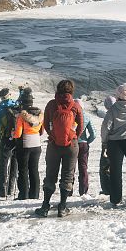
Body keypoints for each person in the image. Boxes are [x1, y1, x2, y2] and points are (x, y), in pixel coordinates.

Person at [35, 79, 83, 218]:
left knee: (50, 175)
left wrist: (53, 137)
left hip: (54, 145)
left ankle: (45, 206)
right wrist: (73, 137)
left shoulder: (51, 104)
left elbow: (45, 123)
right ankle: (62, 207)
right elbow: (81, 125)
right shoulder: (75, 106)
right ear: (71, 91)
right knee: (67, 175)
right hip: (71, 146)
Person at [12, 87, 44, 200]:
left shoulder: (22, 115)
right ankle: (34, 195)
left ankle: (23, 195)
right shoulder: (40, 114)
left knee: (23, 170)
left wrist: (12, 133)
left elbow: (18, 134)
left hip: (25, 145)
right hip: (37, 145)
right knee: (34, 170)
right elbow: (42, 131)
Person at [0, 88, 18, 198]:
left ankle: (2, 188)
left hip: (5, 138)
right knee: (14, 163)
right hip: (16, 138)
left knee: (3, 164)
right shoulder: (16, 105)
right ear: (10, 95)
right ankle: (11, 188)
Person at [75, 99, 96, 196]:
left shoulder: (70, 115)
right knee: (83, 168)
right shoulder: (86, 116)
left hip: (71, 144)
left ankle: (68, 191)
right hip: (83, 144)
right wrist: (87, 141)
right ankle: (83, 191)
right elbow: (93, 134)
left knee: (69, 169)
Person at [99, 96, 116, 196]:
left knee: (105, 167)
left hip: (108, 143)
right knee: (115, 166)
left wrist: (104, 142)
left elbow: (105, 129)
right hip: (118, 142)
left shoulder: (109, 114)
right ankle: (115, 188)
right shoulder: (120, 112)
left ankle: (107, 189)